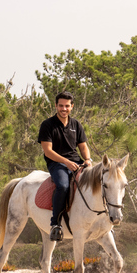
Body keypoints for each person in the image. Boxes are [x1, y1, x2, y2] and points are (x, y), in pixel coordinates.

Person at [37, 92, 93, 241]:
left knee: (98, 180)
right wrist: (66, 162)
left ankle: (103, 218)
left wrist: (87, 159)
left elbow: (83, 147)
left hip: (77, 162)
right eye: (61, 105)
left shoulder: (76, 124)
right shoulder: (47, 125)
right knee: (63, 186)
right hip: (57, 164)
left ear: (72, 107)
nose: (64, 109)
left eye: (67, 106)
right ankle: (55, 224)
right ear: (55, 106)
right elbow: (48, 151)